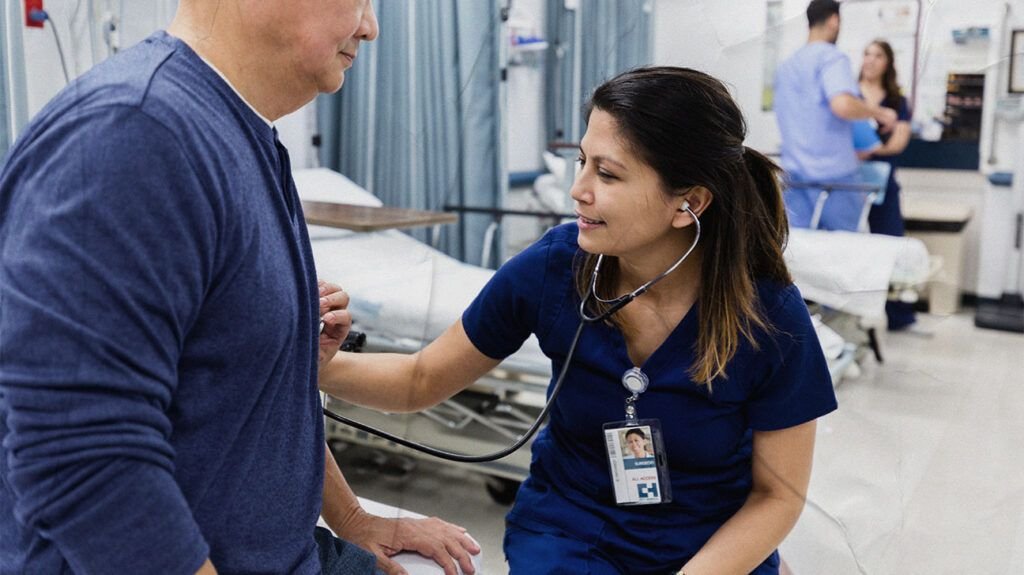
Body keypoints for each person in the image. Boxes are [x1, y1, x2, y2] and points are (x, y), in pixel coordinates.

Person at [0, 2, 478, 574]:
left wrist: (351, 518)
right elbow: (83, 457)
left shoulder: (248, 140)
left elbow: (256, 399)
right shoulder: (135, 132)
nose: (370, 27)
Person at [320, 66, 839, 575]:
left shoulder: (769, 315)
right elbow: (420, 380)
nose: (578, 190)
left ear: (689, 203)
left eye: (607, 173)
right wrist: (310, 363)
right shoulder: (554, 267)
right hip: (570, 531)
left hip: (710, 545)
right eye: (582, 162)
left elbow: (778, 496)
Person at [775, 0, 898, 231]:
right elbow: (842, 105)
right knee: (844, 251)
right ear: (834, 20)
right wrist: (880, 112)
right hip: (834, 180)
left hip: (794, 176)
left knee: (798, 250)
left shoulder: (787, 66)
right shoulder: (832, 58)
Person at [859, 39, 916, 330]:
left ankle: (901, 315)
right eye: (866, 54)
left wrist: (867, 151)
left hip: (883, 182)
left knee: (893, 243)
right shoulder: (849, 94)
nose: (870, 60)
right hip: (850, 182)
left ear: (888, 62)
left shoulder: (896, 100)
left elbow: (898, 142)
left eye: (878, 55)